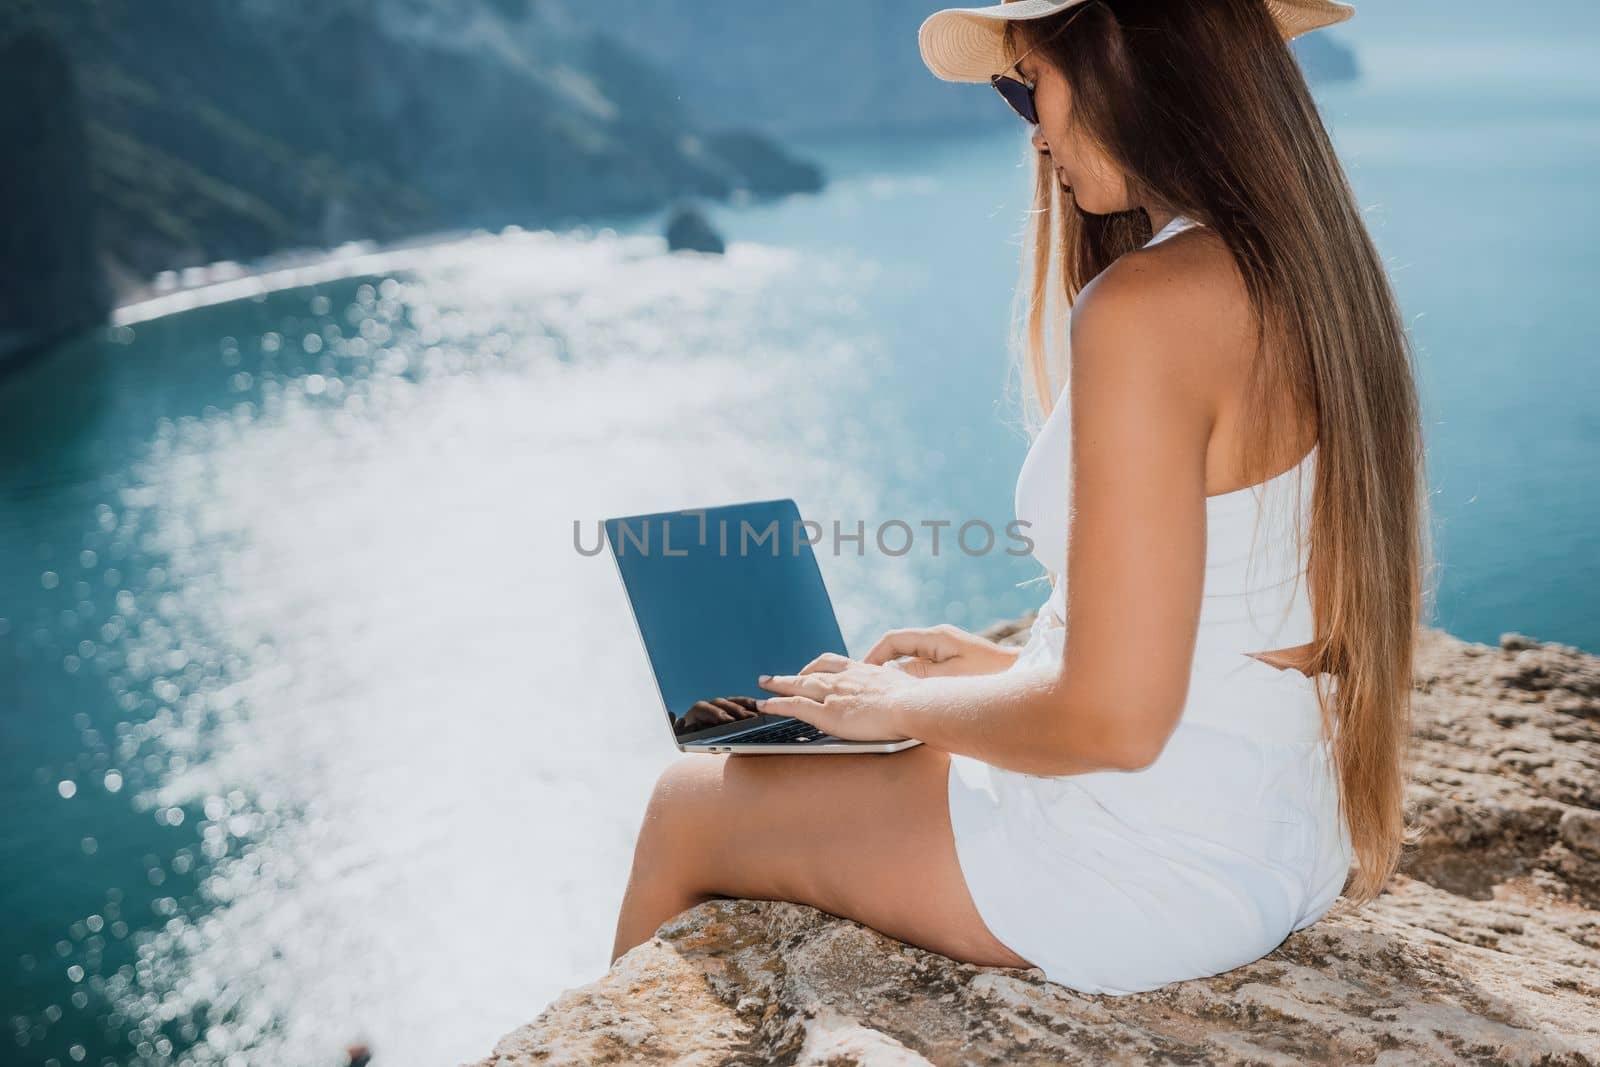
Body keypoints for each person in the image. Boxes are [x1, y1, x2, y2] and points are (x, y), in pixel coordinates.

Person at [609, 0, 1434, 996]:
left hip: (1140, 868)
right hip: (1277, 833)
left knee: (689, 801)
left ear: (1120, 56)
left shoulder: (1146, 306)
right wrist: (1008, 667)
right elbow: (1243, 616)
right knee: (775, 751)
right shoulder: (1306, 271)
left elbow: (1114, 723)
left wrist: (901, 703)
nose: (1034, 131)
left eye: (1026, 82)